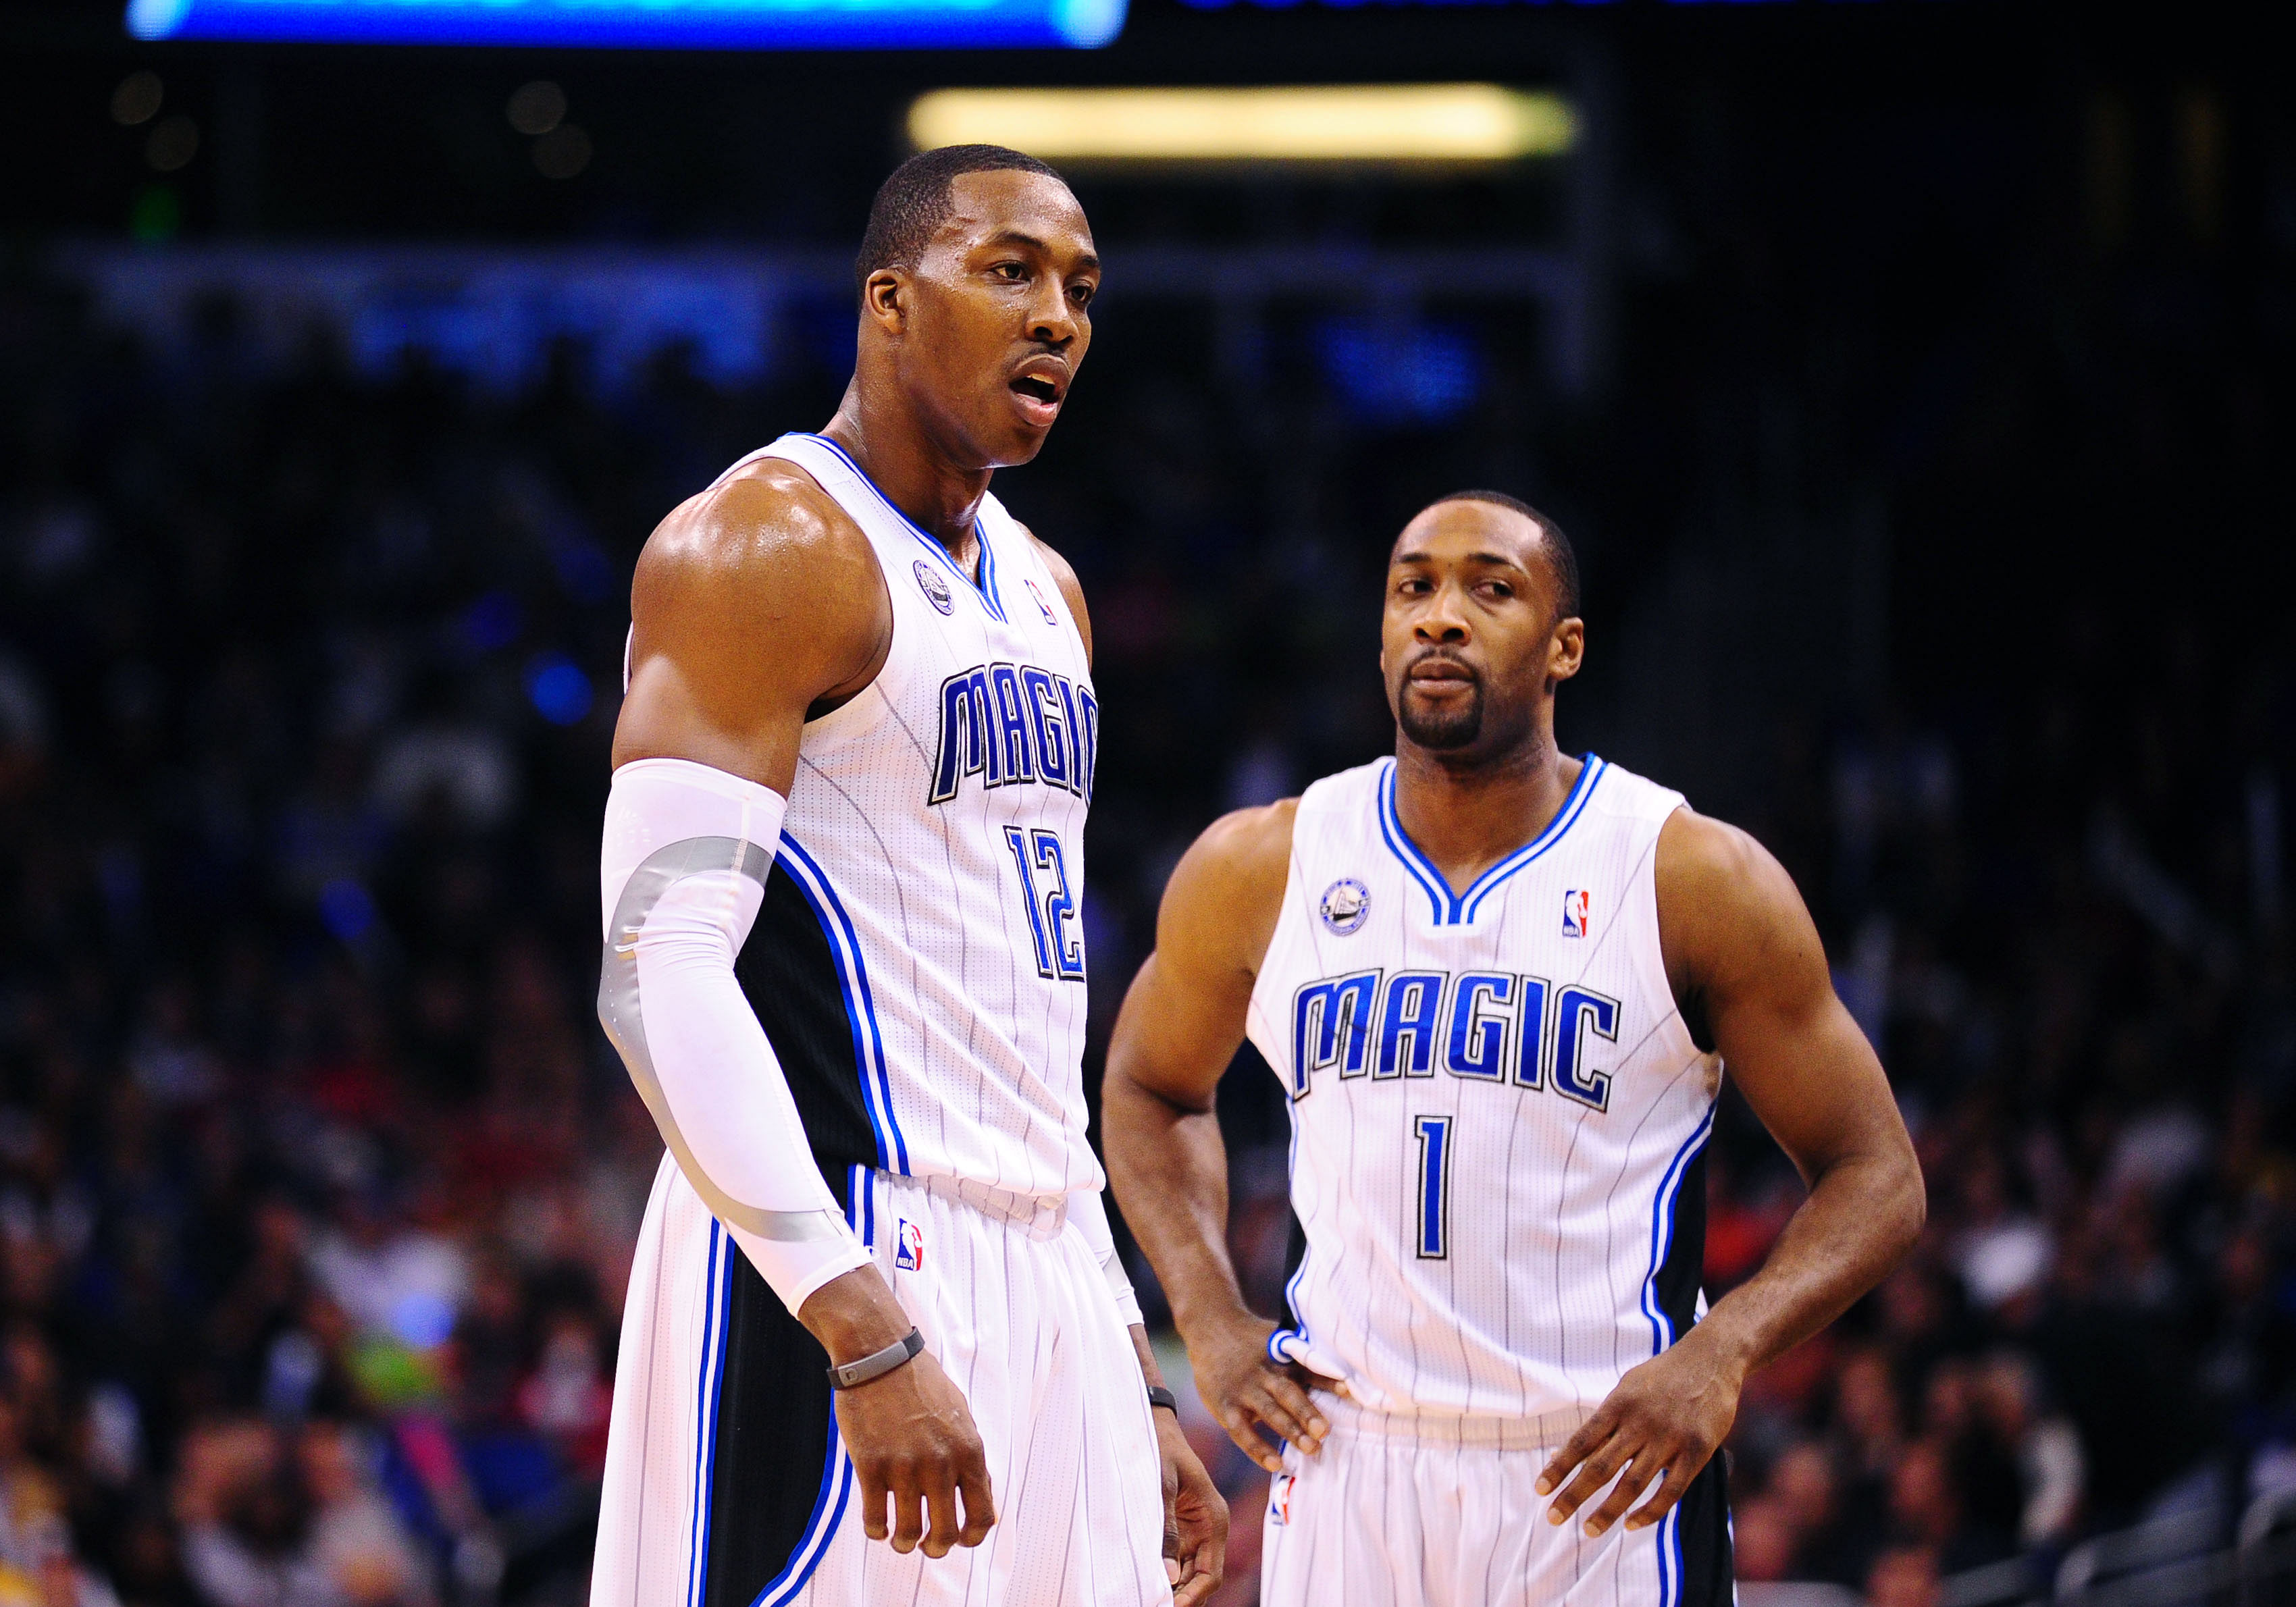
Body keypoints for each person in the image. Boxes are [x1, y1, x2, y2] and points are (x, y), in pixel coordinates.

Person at [591, 144, 1224, 1607]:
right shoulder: (763, 545)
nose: (1057, 316)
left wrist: (1128, 1371)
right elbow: (655, 971)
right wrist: (857, 1321)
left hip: (1048, 1265)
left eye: (1079, 288)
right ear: (888, 300)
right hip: (834, 1251)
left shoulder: (1048, 589)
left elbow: (1028, 1017)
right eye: (1009, 271)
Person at [1101, 490, 1925, 1606]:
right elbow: (1150, 1087)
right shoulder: (1263, 865)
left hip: (1597, 1465)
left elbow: (1877, 1175)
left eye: (1491, 589)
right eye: (1414, 588)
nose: (1443, 616)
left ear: (1564, 648)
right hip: (1349, 1463)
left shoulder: (1692, 877)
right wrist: (1204, 1313)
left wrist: (1720, 1353)